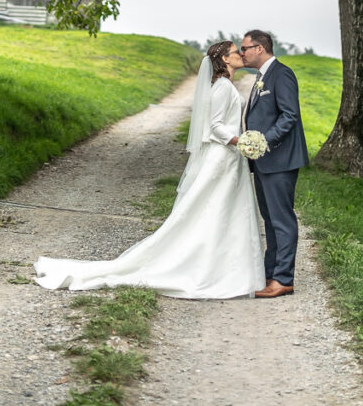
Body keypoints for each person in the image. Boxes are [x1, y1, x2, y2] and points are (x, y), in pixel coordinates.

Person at [33, 40, 265, 298]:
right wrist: (240, 141)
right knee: (208, 210)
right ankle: (206, 267)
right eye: (236, 52)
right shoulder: (221, 87)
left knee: (223, 210)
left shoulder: (224, 85)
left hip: (229, 158)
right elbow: (215, 126)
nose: (241, 55)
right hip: (222, 155)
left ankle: (225, 268)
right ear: (224, 59)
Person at [240, 29, 309, 298]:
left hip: (280, 159)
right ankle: (270, 275)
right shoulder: (261, 77)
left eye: (245, 48)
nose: (242, 52)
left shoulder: (282, 74)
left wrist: (262, 141)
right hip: (264, 162)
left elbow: (289, 116)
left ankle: (283, 279)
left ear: (259, 48)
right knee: (269, 220)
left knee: (282, 220)